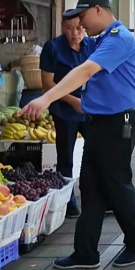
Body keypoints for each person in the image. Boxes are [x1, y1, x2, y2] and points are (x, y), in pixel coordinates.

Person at [19, 0, 135, 270]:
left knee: (117, 184)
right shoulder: (102, 39)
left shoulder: (118, 38)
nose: (80, 24)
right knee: (90, 187)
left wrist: (47, 97)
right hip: (99, 122)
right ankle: (86, 252)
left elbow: (85, 71)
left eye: (83, 16)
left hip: (118, 123)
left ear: (99, 10)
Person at [39, 13, 90, 219]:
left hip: (90, 110)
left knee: (96, 154)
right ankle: (68, 201)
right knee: (65, 157)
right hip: (64, 111)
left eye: (79, 28)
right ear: (62, 27)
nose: (74, 33)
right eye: (69, 28)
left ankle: (96, 197)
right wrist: (72, 101)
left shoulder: (91, 46)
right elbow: (47, 83)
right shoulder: (52, 48)